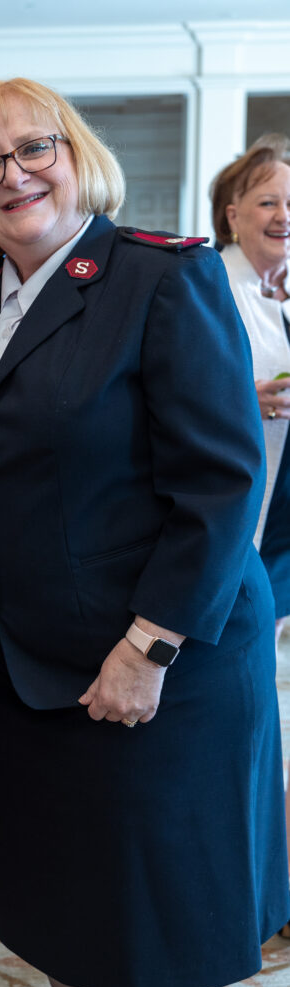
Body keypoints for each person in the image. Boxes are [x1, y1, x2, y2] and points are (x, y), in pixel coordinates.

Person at [0, 77, 290, 987]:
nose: (14, 175)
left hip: (148, 680)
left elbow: (218, 483)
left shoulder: (161, 277)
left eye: (34, 148)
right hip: (12, 684)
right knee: (61, 922)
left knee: (142, 948)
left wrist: (149, 645)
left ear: (77, 155)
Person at [210, 133, 290, 938]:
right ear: (231, 212)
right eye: (266, 199)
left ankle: (274, 875)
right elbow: (188, 403)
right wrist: (248, 398)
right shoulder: (214, 289)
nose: (282, 215)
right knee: (250, 708)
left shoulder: (279, 295)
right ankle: (255, 884)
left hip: (282, 517)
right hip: (247, 530)